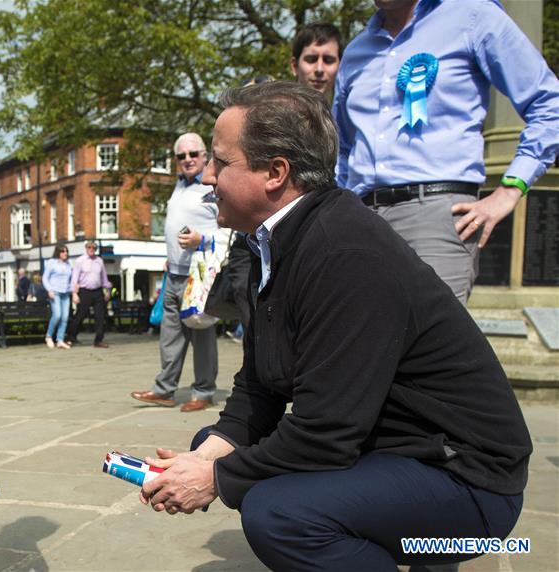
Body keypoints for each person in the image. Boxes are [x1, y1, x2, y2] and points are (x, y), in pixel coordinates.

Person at [139, 81, 532, 570]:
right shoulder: (266, 244)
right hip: (391, 451)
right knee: (211, 447)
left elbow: (325, 433)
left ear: (275, 173)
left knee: (279, 514)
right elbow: (258, 387)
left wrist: (215, 479)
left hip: (468, 481)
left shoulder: (344, 252)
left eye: (221, 162)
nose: (208, 178)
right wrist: (205, 462)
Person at [334, 0, 559, 304]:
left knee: (432, 346)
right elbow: (343, 148)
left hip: (438, 216)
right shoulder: (356, 51)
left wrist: (511, 188)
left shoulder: (473, 17)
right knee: (361, 344)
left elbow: (549, 104)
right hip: (361, 221)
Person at [130, 133, 229, 413]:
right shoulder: (179, 186)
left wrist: (204, 240)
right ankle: (164, 390)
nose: (187, 160)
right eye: (181, 156)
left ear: (205, 156)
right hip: (174, 273)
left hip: (199, 275)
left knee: (202, 336)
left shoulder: (213, 185)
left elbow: (229, 228)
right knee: (170, 335)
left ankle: (204, 391)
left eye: (193, 154)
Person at [67, 241, 112, 348]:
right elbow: (74, 278)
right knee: (80, 315)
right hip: (84, 291)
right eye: (89, 247)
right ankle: (71, 336)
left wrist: (108, 290)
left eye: (93, 247)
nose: (91, 249)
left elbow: (104, 278)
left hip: (97, 291)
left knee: (100, 316)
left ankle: (98, 340)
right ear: (86, 248)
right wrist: (74, 293)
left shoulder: (99, 261)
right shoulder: (80, 261)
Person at [290, 22, 342, 97]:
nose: (319, 69)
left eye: (328, 60)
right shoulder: (275, 108)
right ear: (294, 66)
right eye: (311, 59)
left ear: (340, 67)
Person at [42, 244, 73, 349]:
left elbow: (71, 279)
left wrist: (73, 289)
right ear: (58, 253)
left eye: (66, 251)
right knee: (57, 315)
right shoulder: (52, 263)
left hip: (66, 292)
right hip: (55, 292)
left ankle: (60, 339)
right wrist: (49, 289)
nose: (65, 253)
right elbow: (45, 278)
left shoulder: (69, 264)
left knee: (65, 317)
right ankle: (49, 336)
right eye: (63, 251)